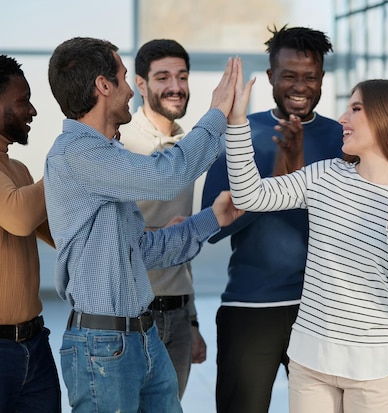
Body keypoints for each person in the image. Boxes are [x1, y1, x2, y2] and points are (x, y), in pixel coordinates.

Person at [226, 58, 388, 412]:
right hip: (311, 362)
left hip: (378, 371)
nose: (342, 118)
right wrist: (236, 122)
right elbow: (249, 195)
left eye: (355, 108)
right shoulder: (326, 176)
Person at [44, 37, 242, 412]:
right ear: (104, 86)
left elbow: (142, 250)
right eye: (122, 77)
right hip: (102, 346)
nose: (130, 91)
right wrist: (216, 112)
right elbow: (168, 176)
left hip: (142, 336)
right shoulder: (78, 154)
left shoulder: (110, 154)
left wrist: (213, 218)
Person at [201, 25, 343, 413]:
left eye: (310, 77)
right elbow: (212, 229)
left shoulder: (343, 138)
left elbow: (349, 224)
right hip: (250, 308)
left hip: (323, 309)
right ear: (270, 78)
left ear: (322, 79)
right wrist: (278, 179)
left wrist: (294, 180)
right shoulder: (239, 133)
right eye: (289, 76)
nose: (300, 86)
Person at [118, 39, 206, 399]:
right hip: (131, 319)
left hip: (180, 317)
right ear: (141, 85)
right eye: (163, 77)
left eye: (182, 76)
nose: (175, 86)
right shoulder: (119, 141)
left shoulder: (184, 147)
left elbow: (182, 240)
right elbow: (111, 233)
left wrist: (194, 320)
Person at [0, 55, 61, 413]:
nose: (33, 110)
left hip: (35, 345)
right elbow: (21, 217)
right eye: (23, 100)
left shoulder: (18, 169)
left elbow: (57, 234)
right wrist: (64, 163)